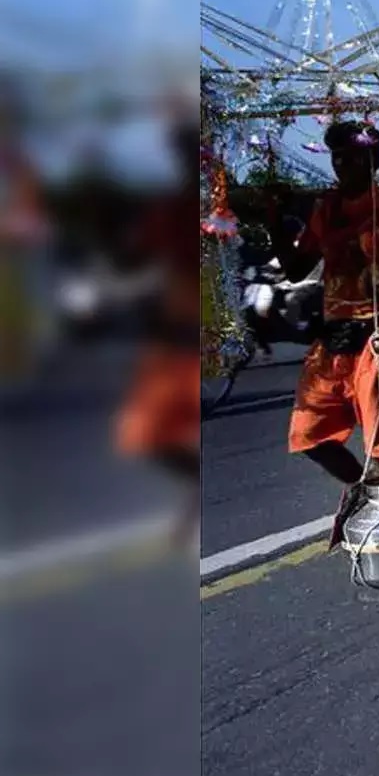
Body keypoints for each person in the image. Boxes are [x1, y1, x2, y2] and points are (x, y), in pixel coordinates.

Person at [269, 121, 379, 546]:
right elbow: (296, 268)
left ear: (374, 162)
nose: (344, 165)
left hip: (376, 343)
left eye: (355, 156)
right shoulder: (326, 212)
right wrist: (274, 224)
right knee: (308, 436)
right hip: (331, 344)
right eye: (338, 156)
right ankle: (364, 489)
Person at [115, 118, 202, 547]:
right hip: (167, 339)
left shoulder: (206, 207)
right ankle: (195, 486)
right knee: (144, 437)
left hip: (191, 336)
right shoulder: (163, 210)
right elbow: (134, 258)